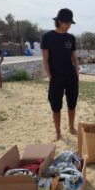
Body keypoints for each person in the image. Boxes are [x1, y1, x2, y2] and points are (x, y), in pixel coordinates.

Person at [41, 8, 79, 141]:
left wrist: (77, 71)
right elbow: (45, 59)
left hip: (71, 76)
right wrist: (50, 76)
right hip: (56, 77)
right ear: (59, 21)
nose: (69, 25)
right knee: (56, 106)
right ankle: (58, 132)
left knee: (72, 103)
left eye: (70, 23)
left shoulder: (71, 38)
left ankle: (71, 127)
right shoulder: (47, 37)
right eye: (67, 23)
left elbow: (74, 57)